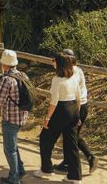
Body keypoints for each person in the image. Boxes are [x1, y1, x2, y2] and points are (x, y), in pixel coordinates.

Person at [34, 53, 82, 183]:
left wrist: (47, 118)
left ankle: (46, 169)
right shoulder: (74, 78)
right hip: (73, 109)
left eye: (54, 61)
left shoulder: (56, 80)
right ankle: (75, 176)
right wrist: (77, 115)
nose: (53, 62)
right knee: (72, 144)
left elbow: (54, 102)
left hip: (61, 110)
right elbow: (78, 98)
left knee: (45, 138)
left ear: (59, 64)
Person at [0, 49, 28, 184]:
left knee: (9, 149)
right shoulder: (22, 76)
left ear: (4, 64)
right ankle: (20, 169)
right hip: (22, 116)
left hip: (10, 118)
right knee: (13, 145)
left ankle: (14, 178)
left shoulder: (7, 80)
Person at [55, 50, 97, 174]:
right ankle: (68, 162)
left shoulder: (72, 72)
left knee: (72, 136)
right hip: (79, 105)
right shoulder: (76, 69)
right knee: (69, 134)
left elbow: (72, 93)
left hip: (76, 106)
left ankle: (89, 158)